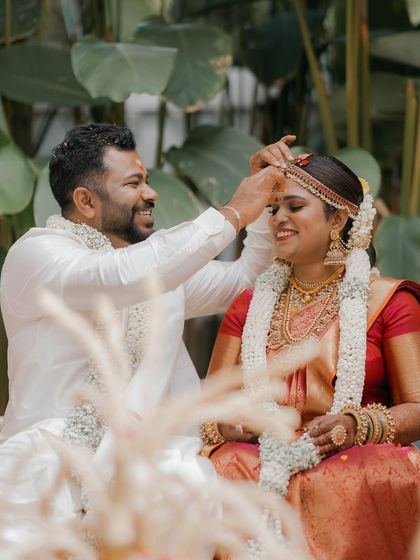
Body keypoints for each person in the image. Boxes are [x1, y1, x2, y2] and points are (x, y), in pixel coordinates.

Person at [0, 123, 293, 542]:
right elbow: (121, 277)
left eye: (148, 181)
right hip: (46, 469)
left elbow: (245, 279)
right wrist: (231, 214)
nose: (151, 194)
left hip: (146, 471)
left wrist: (262, 210)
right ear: (85, 201)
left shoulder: (151, 270)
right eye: (133, 184)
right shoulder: (37, 255)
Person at [202, 150, 420, 560]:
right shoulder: (249, 305)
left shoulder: (388, 301)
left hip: (353, 452)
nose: (278, 218)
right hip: (256, 452)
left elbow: (418, 408)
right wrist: (226, 425)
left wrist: (358, 426)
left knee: (363, 473)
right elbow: (206, 405)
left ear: (338, 219)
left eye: (295, 206)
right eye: (274, 208)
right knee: (226, 464)